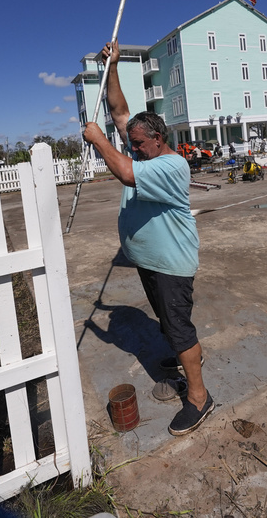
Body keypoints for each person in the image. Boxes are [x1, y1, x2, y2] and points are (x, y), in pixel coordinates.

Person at [81, 40, 214, 436]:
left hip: (172, 261)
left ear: (158, 138)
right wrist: (115, 67)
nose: (133, 149)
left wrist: (99, 140)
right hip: (150, 259)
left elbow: (124, 172)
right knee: (169, 323)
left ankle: (199, 398)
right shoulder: (146, 151)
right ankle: (182, 358)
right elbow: (120, 112)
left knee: (178, 328)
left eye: (139, 144)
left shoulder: (170, 165)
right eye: (131, 143)